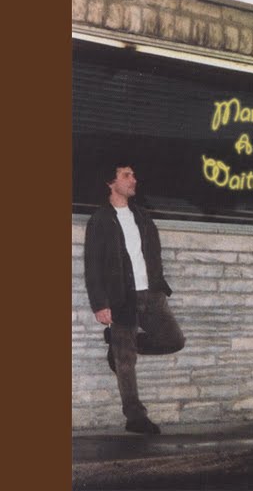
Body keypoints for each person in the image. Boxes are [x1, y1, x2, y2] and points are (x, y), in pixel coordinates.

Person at [84, 163, 185, 434]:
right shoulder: (100, 220)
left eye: (133, 175)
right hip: (121, 296)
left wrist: (158, 283)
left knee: (174, 340)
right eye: (126, 175)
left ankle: (118, 347)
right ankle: (135, 418)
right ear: (111, 182)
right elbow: (92, 266)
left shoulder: (142, 216)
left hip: (151, 294)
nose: (133, 180)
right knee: (126, 362)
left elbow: (154, 253)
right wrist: (100, 304)